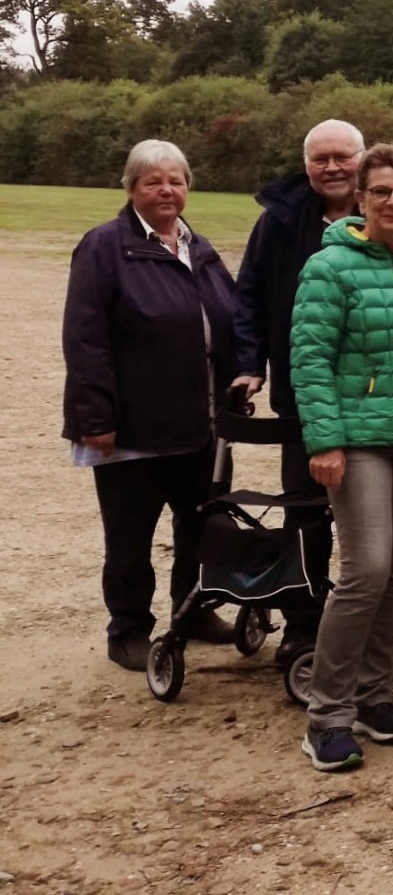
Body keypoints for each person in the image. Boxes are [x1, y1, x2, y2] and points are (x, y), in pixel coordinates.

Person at [290, 143, 393, 772]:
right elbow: (310, 358)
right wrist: (324, 439)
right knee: (366, 570)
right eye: (380, 191)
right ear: (360, 198)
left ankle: (372, 694)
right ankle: (327, 714)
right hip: (357, 440)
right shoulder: (328, 267)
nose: (392, 201)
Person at [233, 118, 393, 663]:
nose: (332, 167)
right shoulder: (279, 220)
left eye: (342, 157)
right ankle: (304, 623)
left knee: (379, 532)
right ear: (306, 164)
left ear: (362, 160)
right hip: (305, 398)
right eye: (321, 158)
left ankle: (371, 623)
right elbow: (249, 295)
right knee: (306, 510)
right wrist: (250, 365)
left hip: (380, 403)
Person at [63, 139, 241, 670]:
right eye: (152, 181)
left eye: (175, 180)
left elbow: (228, 320)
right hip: (133, 430)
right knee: (130, 538)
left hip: (201, 425)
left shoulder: (197, 246)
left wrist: (237, 387)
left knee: (201, 529)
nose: (166, 190)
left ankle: (194, 611)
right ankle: (128, 629)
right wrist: (95, 417)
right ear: (131, 188)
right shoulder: (105, 246)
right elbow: (85, 338)